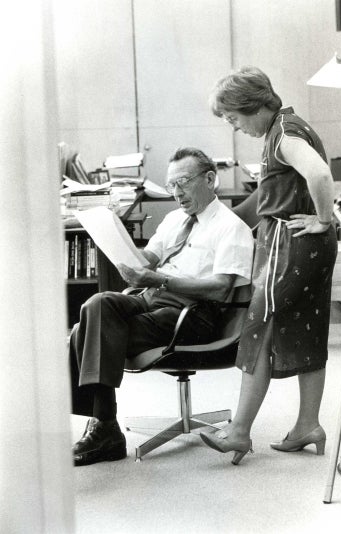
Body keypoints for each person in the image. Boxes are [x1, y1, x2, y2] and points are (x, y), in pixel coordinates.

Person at [70, 146, 254, 466]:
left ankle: (105, 427)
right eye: (171, 185)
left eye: (183, 181)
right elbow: (147, 261)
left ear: (210, 179)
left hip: (194, 312)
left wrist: (160, 281)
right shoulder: (173, 220)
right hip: (151, 298)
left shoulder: (230, 228)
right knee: (97, 304)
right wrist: (119, 249)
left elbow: (221, 288)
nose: (176, 192)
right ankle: (105, 428)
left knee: (82, 333)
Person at [200, 66, 337, 465]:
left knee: (260, 328)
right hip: (310, 245)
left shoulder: (285, 135)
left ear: (251, 105)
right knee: (307, 328)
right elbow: (277, 191)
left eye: (233, 118)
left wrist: (324, 217)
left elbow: (320, 174)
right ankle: (308, 425)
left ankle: (239, 431)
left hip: (293, 243)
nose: (233, 126)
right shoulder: (288, 126)